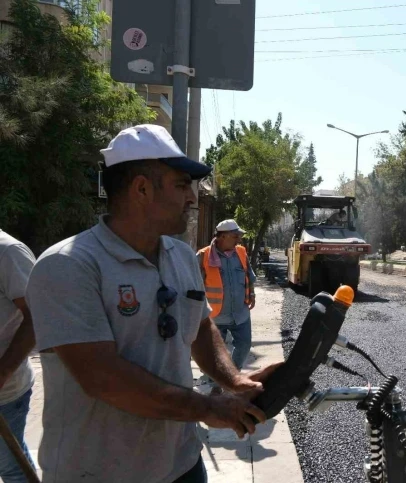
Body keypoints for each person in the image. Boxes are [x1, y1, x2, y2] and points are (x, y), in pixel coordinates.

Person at [25, 124, 277, 483]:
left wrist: (236, 380)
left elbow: (201, 328)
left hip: (181, 464)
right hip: (97, 473)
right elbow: (102, 378)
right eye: (180, 185)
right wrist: (208, 407)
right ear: (141, 188)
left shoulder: (181, 255)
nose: (191, 198)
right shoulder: (67, 265)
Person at [197, 220, 256, 393]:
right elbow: (194, 285)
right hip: (216, 316)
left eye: (239, 236)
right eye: (235, 236)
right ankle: (217, 385)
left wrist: (251, 293)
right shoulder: (203, 256)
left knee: (244, 345)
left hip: (240, 313)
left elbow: (249, 275)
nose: (239, 239)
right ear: (222, 237)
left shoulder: (241, 252)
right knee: (217, 355)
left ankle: (232, 376)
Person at [0, 230, 37, 482]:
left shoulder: (8, 253)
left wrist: (1, 373)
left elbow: (38, 317)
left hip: (5, 394)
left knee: (12, 468)